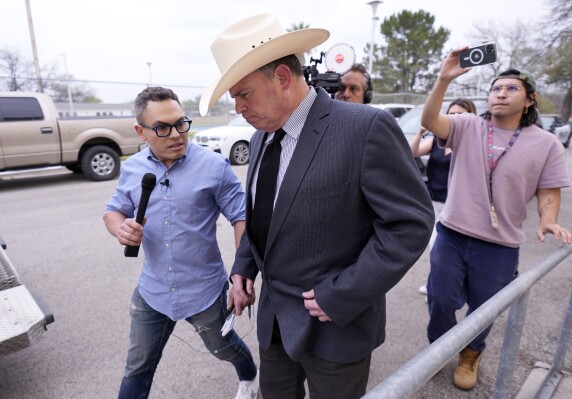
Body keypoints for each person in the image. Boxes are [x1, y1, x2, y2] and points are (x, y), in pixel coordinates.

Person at [199, 13, 434, 399]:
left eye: (244, 93)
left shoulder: (365, 128)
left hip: (335, 327)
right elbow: (264, 217)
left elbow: (410, 225)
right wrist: (244, 268)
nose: (239, 107)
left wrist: (342, 293)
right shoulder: (260, 138)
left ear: (282, 78)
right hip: (274, 324)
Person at [421, 49, 572, 391]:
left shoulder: (547, 144)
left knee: (483, 310)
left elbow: (549, 191)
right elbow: (431, 123)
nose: (501, 93)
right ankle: (438, 349)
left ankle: (471, 353)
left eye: (511, 89)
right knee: (440, 299)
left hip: (501, 245)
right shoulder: (468, 126)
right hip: (453, 233)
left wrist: (548, 218)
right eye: (496, 88)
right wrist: (444, 78)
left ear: (530, 100)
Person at [103, 86, 259, 399]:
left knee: (223, 348)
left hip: (204, 292)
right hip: (153, 292)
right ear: (141, 131)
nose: (176, 134)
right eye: (162, 127)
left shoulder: (213, 167)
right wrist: (121, 229)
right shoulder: (133, 168)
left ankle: (250, 375)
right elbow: (113, 212)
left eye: (181, 123)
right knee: (136, 368)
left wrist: (241, 273)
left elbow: (241, 217)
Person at [410, 98, 477, 298]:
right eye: (451, 113)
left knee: (441, 247)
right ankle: (437, 282)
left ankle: (440, 284)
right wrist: (421, 131)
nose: (454, 118)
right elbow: (411, 152)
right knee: (435, 246)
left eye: (460, 114)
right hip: (433, 201)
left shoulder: (469, 143)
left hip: (456, 205)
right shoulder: (437, 141)